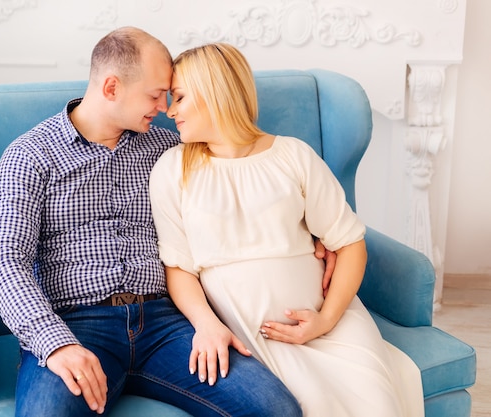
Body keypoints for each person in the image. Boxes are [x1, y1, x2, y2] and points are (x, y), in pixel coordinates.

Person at [0, 27, 317, 417]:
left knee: (276, 410)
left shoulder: (171, 150)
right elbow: (6, 263)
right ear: (111, 88)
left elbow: (241, 190)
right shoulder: (30, 155)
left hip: (167, 325)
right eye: (155, 94)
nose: (165, 107)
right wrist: (56, 344)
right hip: (76, 324)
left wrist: (307, 226)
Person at [149, 43, 425, 417]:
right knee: (311, 404)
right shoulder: (173, 168)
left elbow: (349, 243)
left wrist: (326, 319)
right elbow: (178, 267)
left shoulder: (292, 155)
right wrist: (207, 324)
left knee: (376, 399)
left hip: (329, 323)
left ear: (214, 90)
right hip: (255, 332)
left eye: (179, 97)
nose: (170, 110)